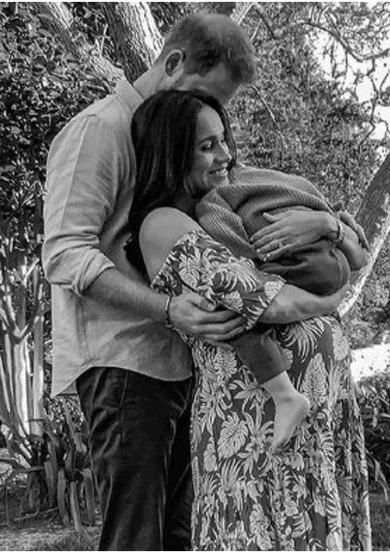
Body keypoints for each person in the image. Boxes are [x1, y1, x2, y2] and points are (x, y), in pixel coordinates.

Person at [42, 13, 257, 551]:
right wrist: (166, 309)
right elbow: (65, 254)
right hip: (123, 365)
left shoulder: (175, 134)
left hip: (181, 360)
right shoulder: (99, 130)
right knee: (137, 538)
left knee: (180, 535)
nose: (207, 112)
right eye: (205, 94)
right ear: (174, 62)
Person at [126, 89, 372, 550]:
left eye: (224, 139)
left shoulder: (232, 208)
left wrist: (327, 226)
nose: (225, 155)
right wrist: (335, 295)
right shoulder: (162, 224)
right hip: (254, 430)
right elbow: (268, 302)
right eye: (207, 146)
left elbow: (352, 253)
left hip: (314, 424)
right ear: (169, 154)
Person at [196, 166, 369, 450]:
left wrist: (254, 267)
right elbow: (357, 253)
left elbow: (237, 264)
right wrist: (336, 224)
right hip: (332, 260)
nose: (221, 155)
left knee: (234, 311)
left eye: (216, 145)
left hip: (301, 264)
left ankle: (284, 395)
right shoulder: (278, 180)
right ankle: (341, 371)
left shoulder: (214, 199)